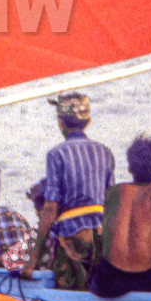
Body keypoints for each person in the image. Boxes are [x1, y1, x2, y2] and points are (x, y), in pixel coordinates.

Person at [21, 92, 115, 290]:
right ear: (88, 122)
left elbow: (50, 209)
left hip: (72, 240)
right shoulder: (105, 152)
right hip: (101, 238)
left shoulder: (57, 154)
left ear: (60, 122)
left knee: (68, 290)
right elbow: (111, 203)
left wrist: (32, 261)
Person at [88, 136, 151, 298]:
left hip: (108, 283)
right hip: (144, 283)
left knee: (100, 265)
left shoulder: (113, 193)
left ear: (130, 168)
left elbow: (125, 231)